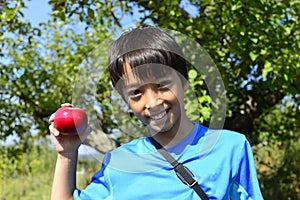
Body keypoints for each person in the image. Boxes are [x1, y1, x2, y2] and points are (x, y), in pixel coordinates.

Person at [49, 27, 263, 199]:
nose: (152, 102)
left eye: (162, 85)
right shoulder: (120, 164)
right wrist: (67, 153)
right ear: (125, 99)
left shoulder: (230, 148)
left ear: (184, 79)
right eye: (136, 93)